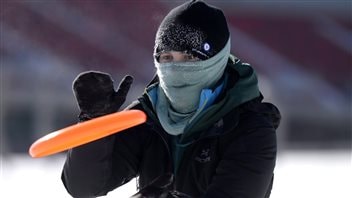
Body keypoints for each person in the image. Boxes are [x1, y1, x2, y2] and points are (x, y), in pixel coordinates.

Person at [61, 0, 281, 197]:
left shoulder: (249, 128)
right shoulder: (148, 115)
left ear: (217, 59)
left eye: (190, 57)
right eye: (166, 57)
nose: (176, 68)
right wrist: (94, 124)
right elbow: (83, 187)